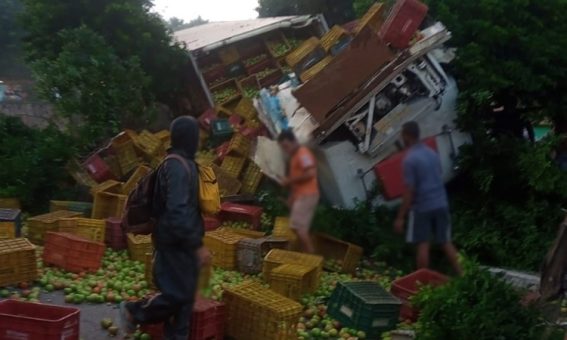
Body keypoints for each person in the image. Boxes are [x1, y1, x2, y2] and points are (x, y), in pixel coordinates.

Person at [120, 116, 211, 339]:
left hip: (181, 240)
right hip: (174, 242)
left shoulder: (185, 163)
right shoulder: (176, 166)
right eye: (196, 136)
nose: (199, 141)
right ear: (188, 138)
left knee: (184, 302)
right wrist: (196, 245)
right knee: (178, 295)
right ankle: (134, 312)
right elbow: (178, 210)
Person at [394, 121, 463, 275]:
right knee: (446, 242)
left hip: (423, 207)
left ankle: (421, 282)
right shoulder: (432, 153)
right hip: (441, 203)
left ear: (406, 136)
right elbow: (438, 174)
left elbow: (409, 191)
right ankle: (465, 274)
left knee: (423, 244)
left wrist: (400, 217)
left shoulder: (410, 160)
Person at [278, 130, 319, 253]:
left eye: (287, 146)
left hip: (308, 195)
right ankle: (308, 252)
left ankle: (311, 257)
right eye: (283, 148)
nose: (286, 150)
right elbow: (297, 183)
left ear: (294, 142)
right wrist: (291, 198)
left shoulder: (303, 154)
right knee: (297, 228)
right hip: (302, 195)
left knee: (299, 228)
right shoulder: (295, 157)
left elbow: (311, 173)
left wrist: (289, 180)